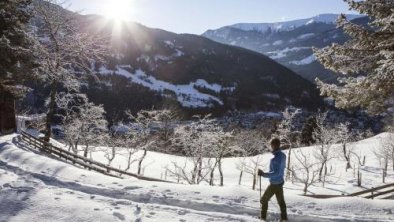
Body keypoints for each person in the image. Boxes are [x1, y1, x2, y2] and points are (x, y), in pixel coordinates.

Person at [258, 138, 288, 221]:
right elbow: (280, 170)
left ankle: (263, 218)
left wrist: (263, 174)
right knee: (281, 202)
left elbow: (276, 173)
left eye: (271, 145)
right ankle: (284, 218)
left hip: (274, 183)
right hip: (280, 182)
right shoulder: (282, 155)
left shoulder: (276, 158)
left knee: (263, 200)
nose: (271, 146)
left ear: (274, 145)